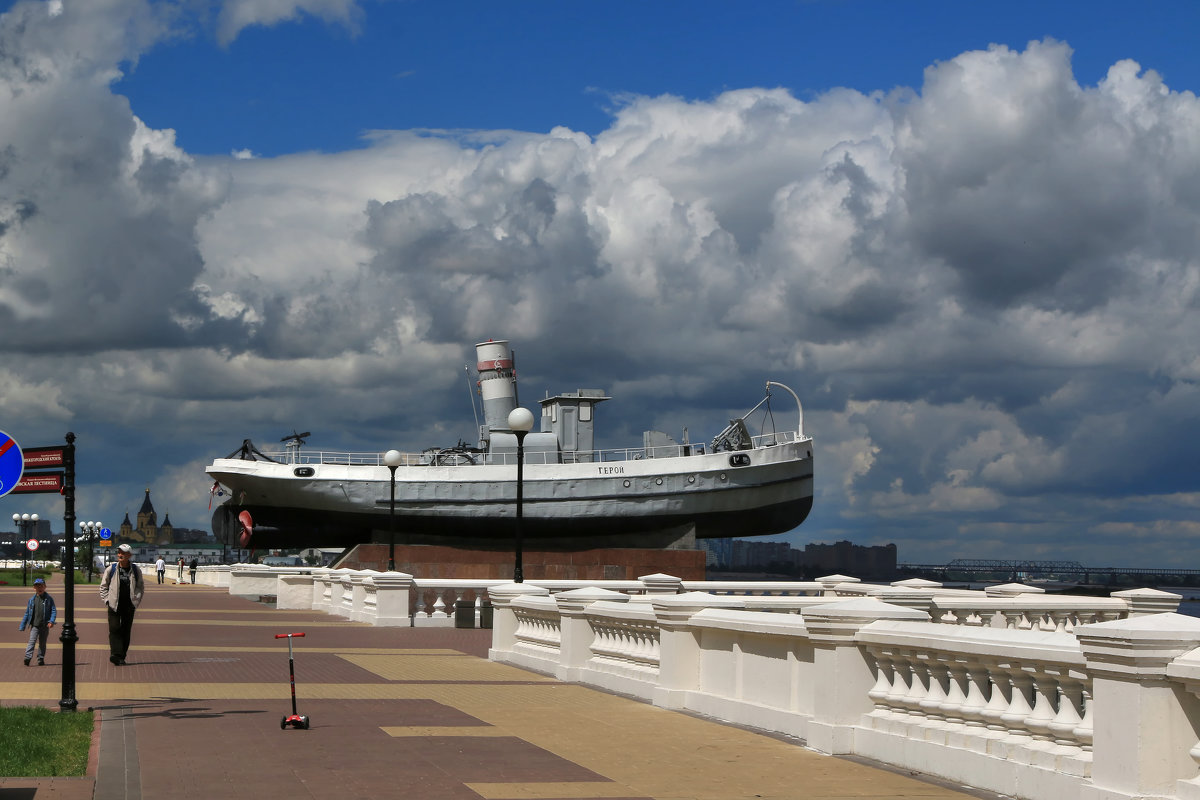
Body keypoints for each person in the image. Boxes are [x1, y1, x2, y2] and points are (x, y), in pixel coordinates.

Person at [99, 543, 144, 666]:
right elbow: (103, 586)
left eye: (123, 553)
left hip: (129, 606)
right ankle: (115, 654)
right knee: (114, 629)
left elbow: (140, 586)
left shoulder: (135, 570)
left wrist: (136, 600)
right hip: (114, 604)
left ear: (129, 555)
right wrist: (107, 600)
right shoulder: (112, 569)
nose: (120, 555)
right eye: (119, 552)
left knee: (125, 630)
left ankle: (122, 656)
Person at [19, 577, 56, 666]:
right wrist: (22, 625)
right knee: (32, 641)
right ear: (34, 588)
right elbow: (27, 613)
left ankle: (40, 658)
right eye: (37, 586)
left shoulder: (49, 599)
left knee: (42, 643)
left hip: (45, 625)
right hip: (35, 625)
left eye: (41, 586)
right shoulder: (32, 600)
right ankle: (27, 657)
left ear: (45, 587)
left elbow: (53, 610)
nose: (39, 588)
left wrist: (51, 621)